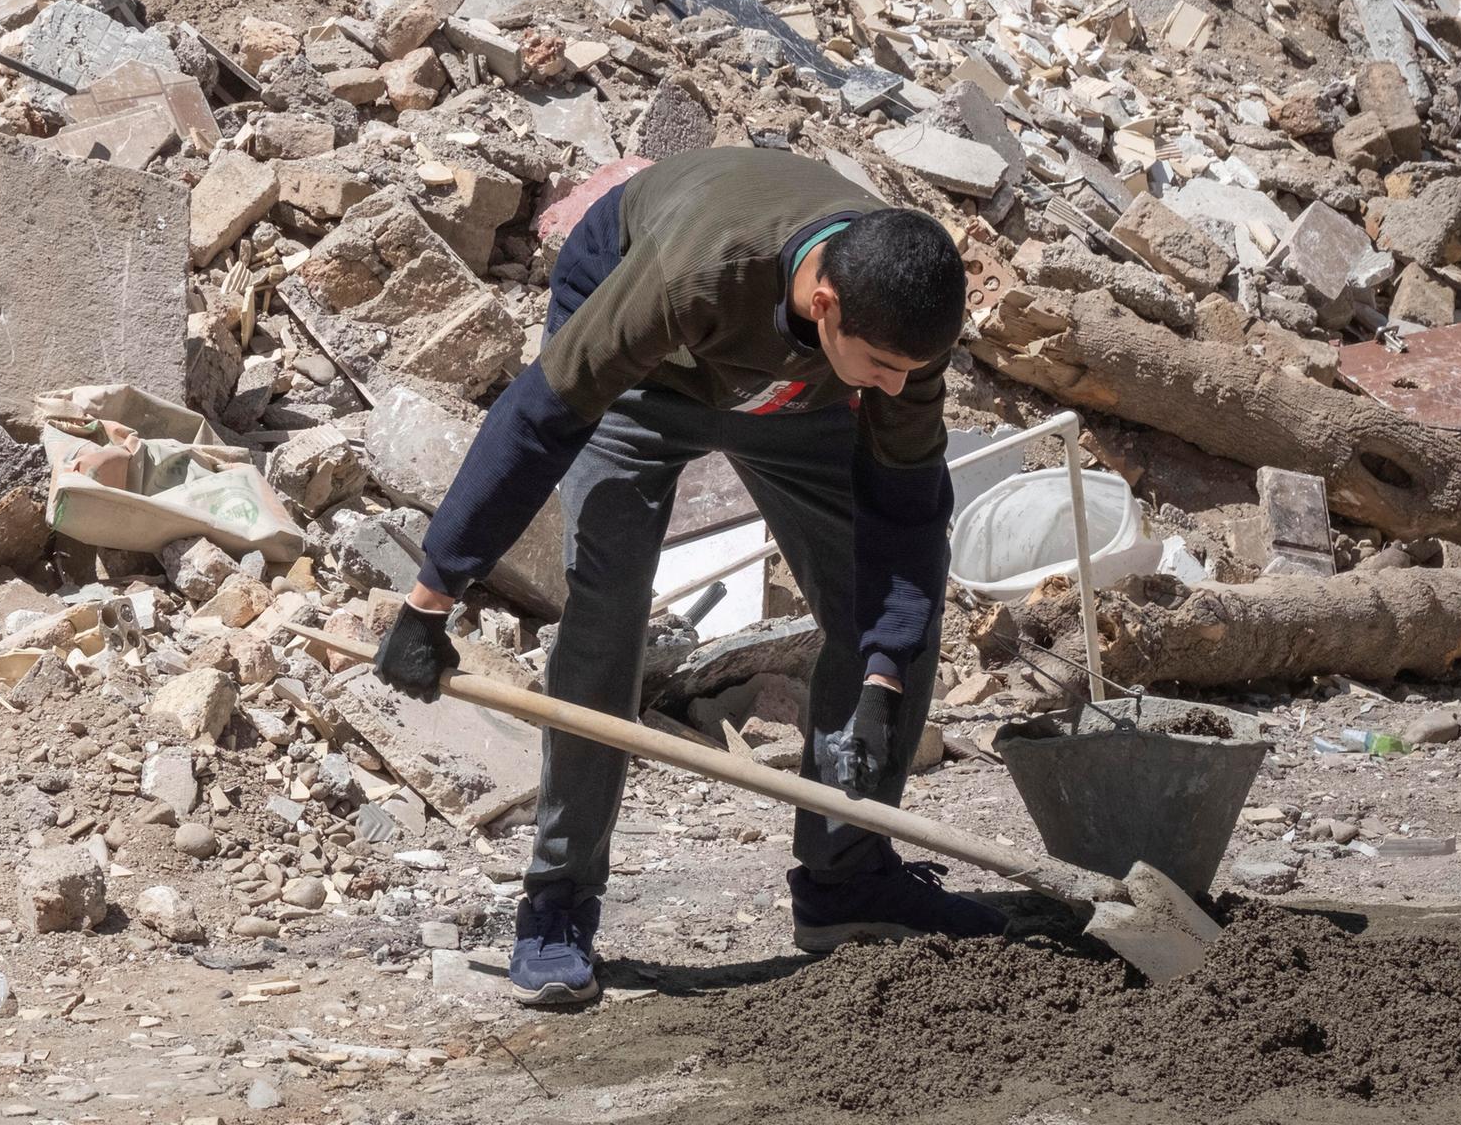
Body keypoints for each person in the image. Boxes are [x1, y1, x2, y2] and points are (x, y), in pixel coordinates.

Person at [371, 147, 1006, 1005]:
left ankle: (847, 881)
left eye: (911, 372)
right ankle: (557, 905)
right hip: (647, 378)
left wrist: (885, 676)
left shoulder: (898, 338)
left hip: (798, 397)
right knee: (606, 609)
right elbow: (537, 422)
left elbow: (908, 511)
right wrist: (430, 602)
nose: (899, 388)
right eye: (886, 369)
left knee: (890, 611)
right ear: (825, 304)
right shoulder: (694, 273)